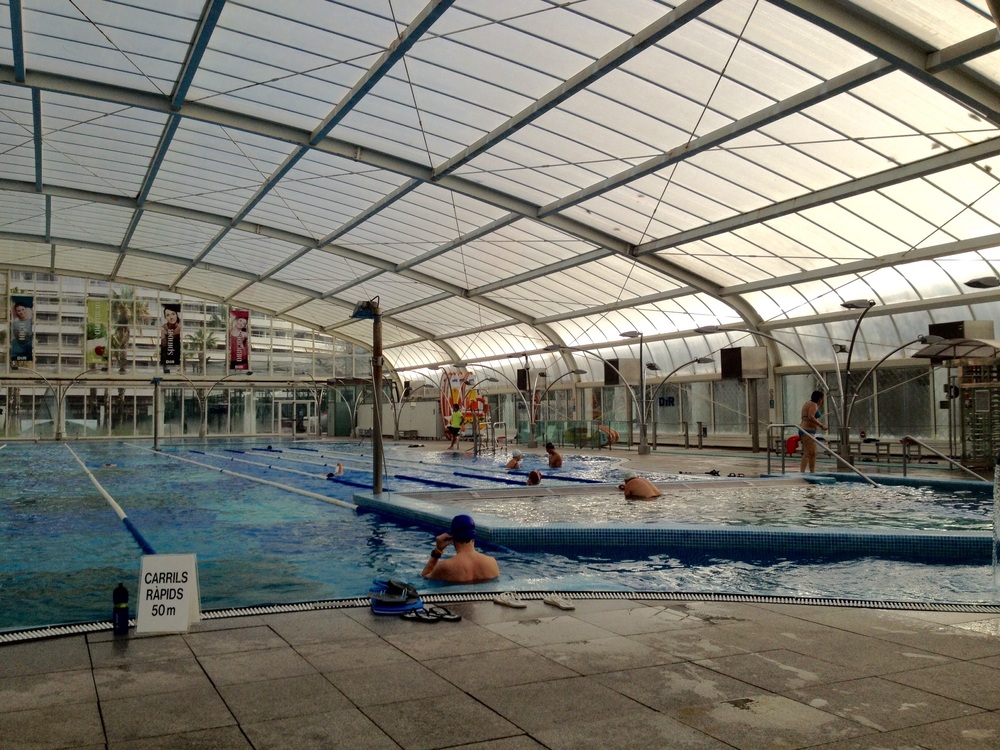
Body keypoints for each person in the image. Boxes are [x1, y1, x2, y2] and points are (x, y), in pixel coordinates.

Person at [421, 514, 499, 583]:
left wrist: (437, 551)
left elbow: (424, 577)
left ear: (451, 536)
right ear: (474, 534)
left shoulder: (446, 566)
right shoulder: (492, 562)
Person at [799, 390, 829, 473]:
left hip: (806, 430)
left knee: (813, 452)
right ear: (819, 398)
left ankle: (812, 471)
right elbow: (811, 417)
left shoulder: (807, 403)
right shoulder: (813, 405)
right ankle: (802, 472)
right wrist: (821, 425)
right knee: (807, 453)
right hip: (807, 431)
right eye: (822, 399)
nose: (822, 401)